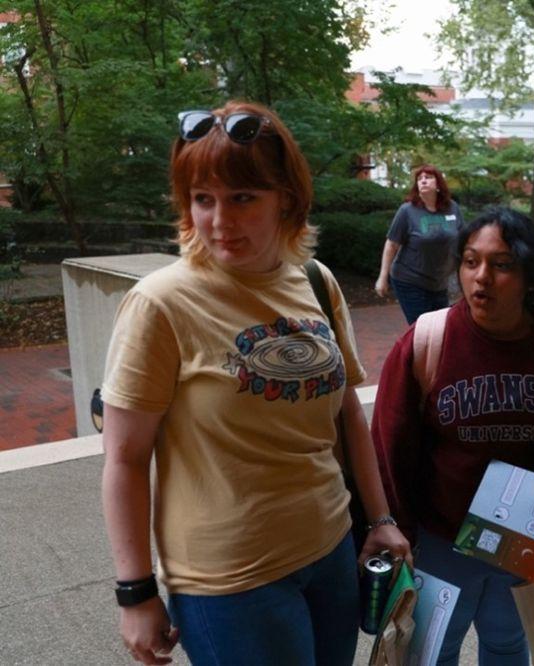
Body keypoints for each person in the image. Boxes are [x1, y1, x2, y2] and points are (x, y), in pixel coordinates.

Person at [101, 101, 410, 666]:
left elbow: (348, 414)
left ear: (285, 198)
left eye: (243, 198)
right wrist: (135, 592)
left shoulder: (316, 282)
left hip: (330, 549)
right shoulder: (160, 304)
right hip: (230, 580)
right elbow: (123, 458)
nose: (220, 221)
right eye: (203, 199)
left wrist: (381, 518)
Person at [372, 207, 534, 665]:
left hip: (523, 538)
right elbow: (389, 447)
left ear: (529, 278)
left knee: (510, 646)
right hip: (441, 536)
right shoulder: (428, 341)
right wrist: (397, 529)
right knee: (431, 651)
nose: (481, 277)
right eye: (470, 261)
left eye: (501, 264)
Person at [374, 165, 464, 324]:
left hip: (439, 282)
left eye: (428, 177)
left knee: (440, 328)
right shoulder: (407, 211)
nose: (423, 181)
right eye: (419, 179)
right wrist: (383, 277)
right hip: (409, 280)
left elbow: (463, 242)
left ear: (438, 184)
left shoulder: (452, 208)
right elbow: (392, 244)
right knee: (422, 328)